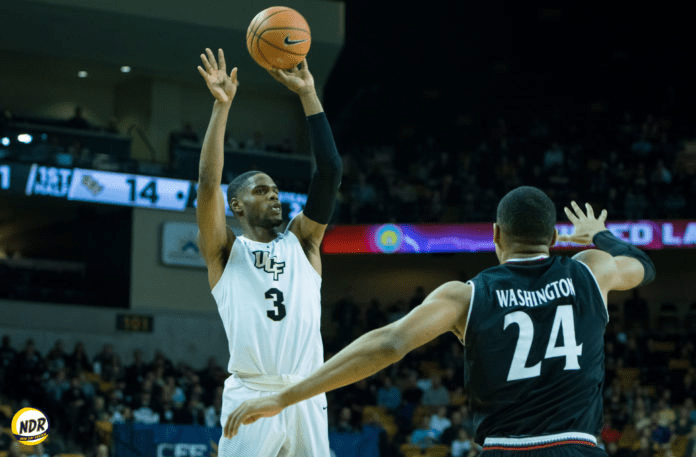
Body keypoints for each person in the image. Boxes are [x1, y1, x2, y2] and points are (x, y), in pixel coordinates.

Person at [225, 186, 656, 457]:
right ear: (555, 237)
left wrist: (284, 397)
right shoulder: (591, 270)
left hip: (504, 450)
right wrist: (600, 235)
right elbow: (642, 264)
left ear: (496, 235)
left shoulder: (466, 295)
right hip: (579, 447)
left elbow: (388, 343)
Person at [195, 48, 341, 456]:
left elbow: (330, 171)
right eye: (261, 190)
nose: (274, 195)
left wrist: (308, 94)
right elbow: (207, 184)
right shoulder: (225, 252)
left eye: (275, 190)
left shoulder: (304, 242)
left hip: (306, 391)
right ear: (237, 205)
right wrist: (222, 107)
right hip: (250, 391)